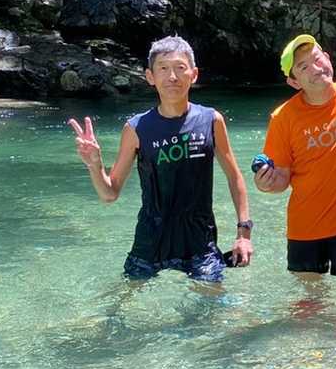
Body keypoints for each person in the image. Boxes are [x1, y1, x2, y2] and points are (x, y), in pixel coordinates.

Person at [69, 35, 253, 283]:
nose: (172, 76)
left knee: (213, 303)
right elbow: (109, 194)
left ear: (194, 74)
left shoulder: (211, 120)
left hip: (199, 240)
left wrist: (244, 234)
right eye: (163, 68)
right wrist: (95, 165)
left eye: (180, 67)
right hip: (151, 239)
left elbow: (234, 177)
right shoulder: (136, 128)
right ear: (150, 76)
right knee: (123, 300)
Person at [254, 34, 336, 294]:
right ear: (294, 82)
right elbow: (281, 179)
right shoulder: (283, 118)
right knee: (310, 303)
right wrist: (266, 184)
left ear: (328, 58)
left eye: (317, 59)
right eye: (303, 67)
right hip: (304, 227)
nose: (315, 68)